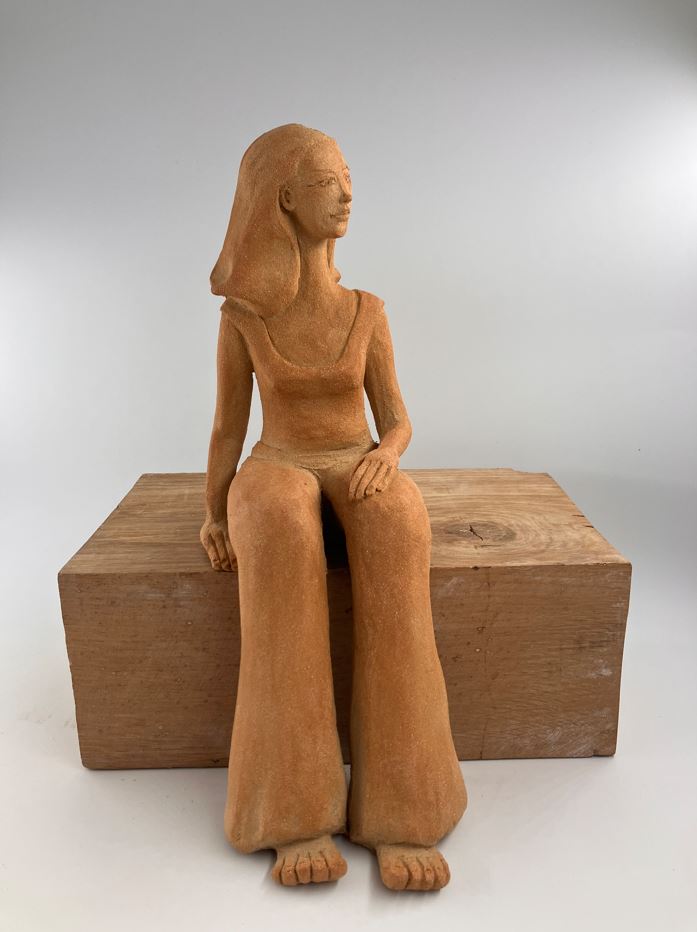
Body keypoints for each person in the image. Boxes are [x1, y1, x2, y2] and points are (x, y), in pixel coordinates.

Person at [200, 124, 466, 891]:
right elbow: (227, 428)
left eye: (347, 177)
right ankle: (292, 817)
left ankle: (407, 810)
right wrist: (214, 511)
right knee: (280, 521)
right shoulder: (243, 317)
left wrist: (387, 455)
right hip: (276, 463)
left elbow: (397, 420)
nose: (346, 193)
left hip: (356, 458)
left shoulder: (366, 310)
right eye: (326, 181)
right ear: (285, 199)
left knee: (395, 520)